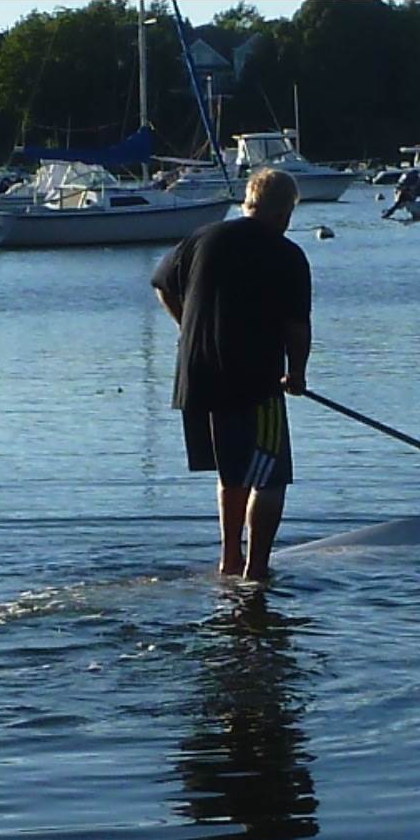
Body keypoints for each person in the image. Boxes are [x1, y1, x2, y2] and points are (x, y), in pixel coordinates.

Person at [150, 168, 312, 581]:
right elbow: (297, 325)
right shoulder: (286, 253)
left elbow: (162, 284)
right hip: (254, 383)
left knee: (233, 472)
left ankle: (229, 561)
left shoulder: (204, 237)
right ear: (283, 212)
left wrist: (187, 327)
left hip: (198, 379)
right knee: (270, 477)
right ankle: (256, 569)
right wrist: (297, 374)